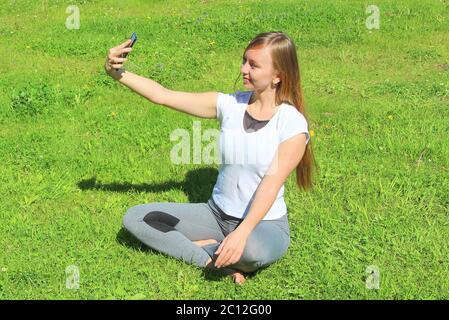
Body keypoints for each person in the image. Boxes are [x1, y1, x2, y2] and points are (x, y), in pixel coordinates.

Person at [104, 31, 316, 284]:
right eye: (244, 60)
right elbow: (163, 95)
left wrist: (242, 232)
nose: (243, 69)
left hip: (264, 225)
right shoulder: (229, 105)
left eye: (254, 65)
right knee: (137, 217)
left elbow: (271, 184)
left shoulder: (292, 123)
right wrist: (117, 73)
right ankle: (210, 258)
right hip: (215, 215)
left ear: (278, 75)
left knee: (250, 253)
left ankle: (217, 249)